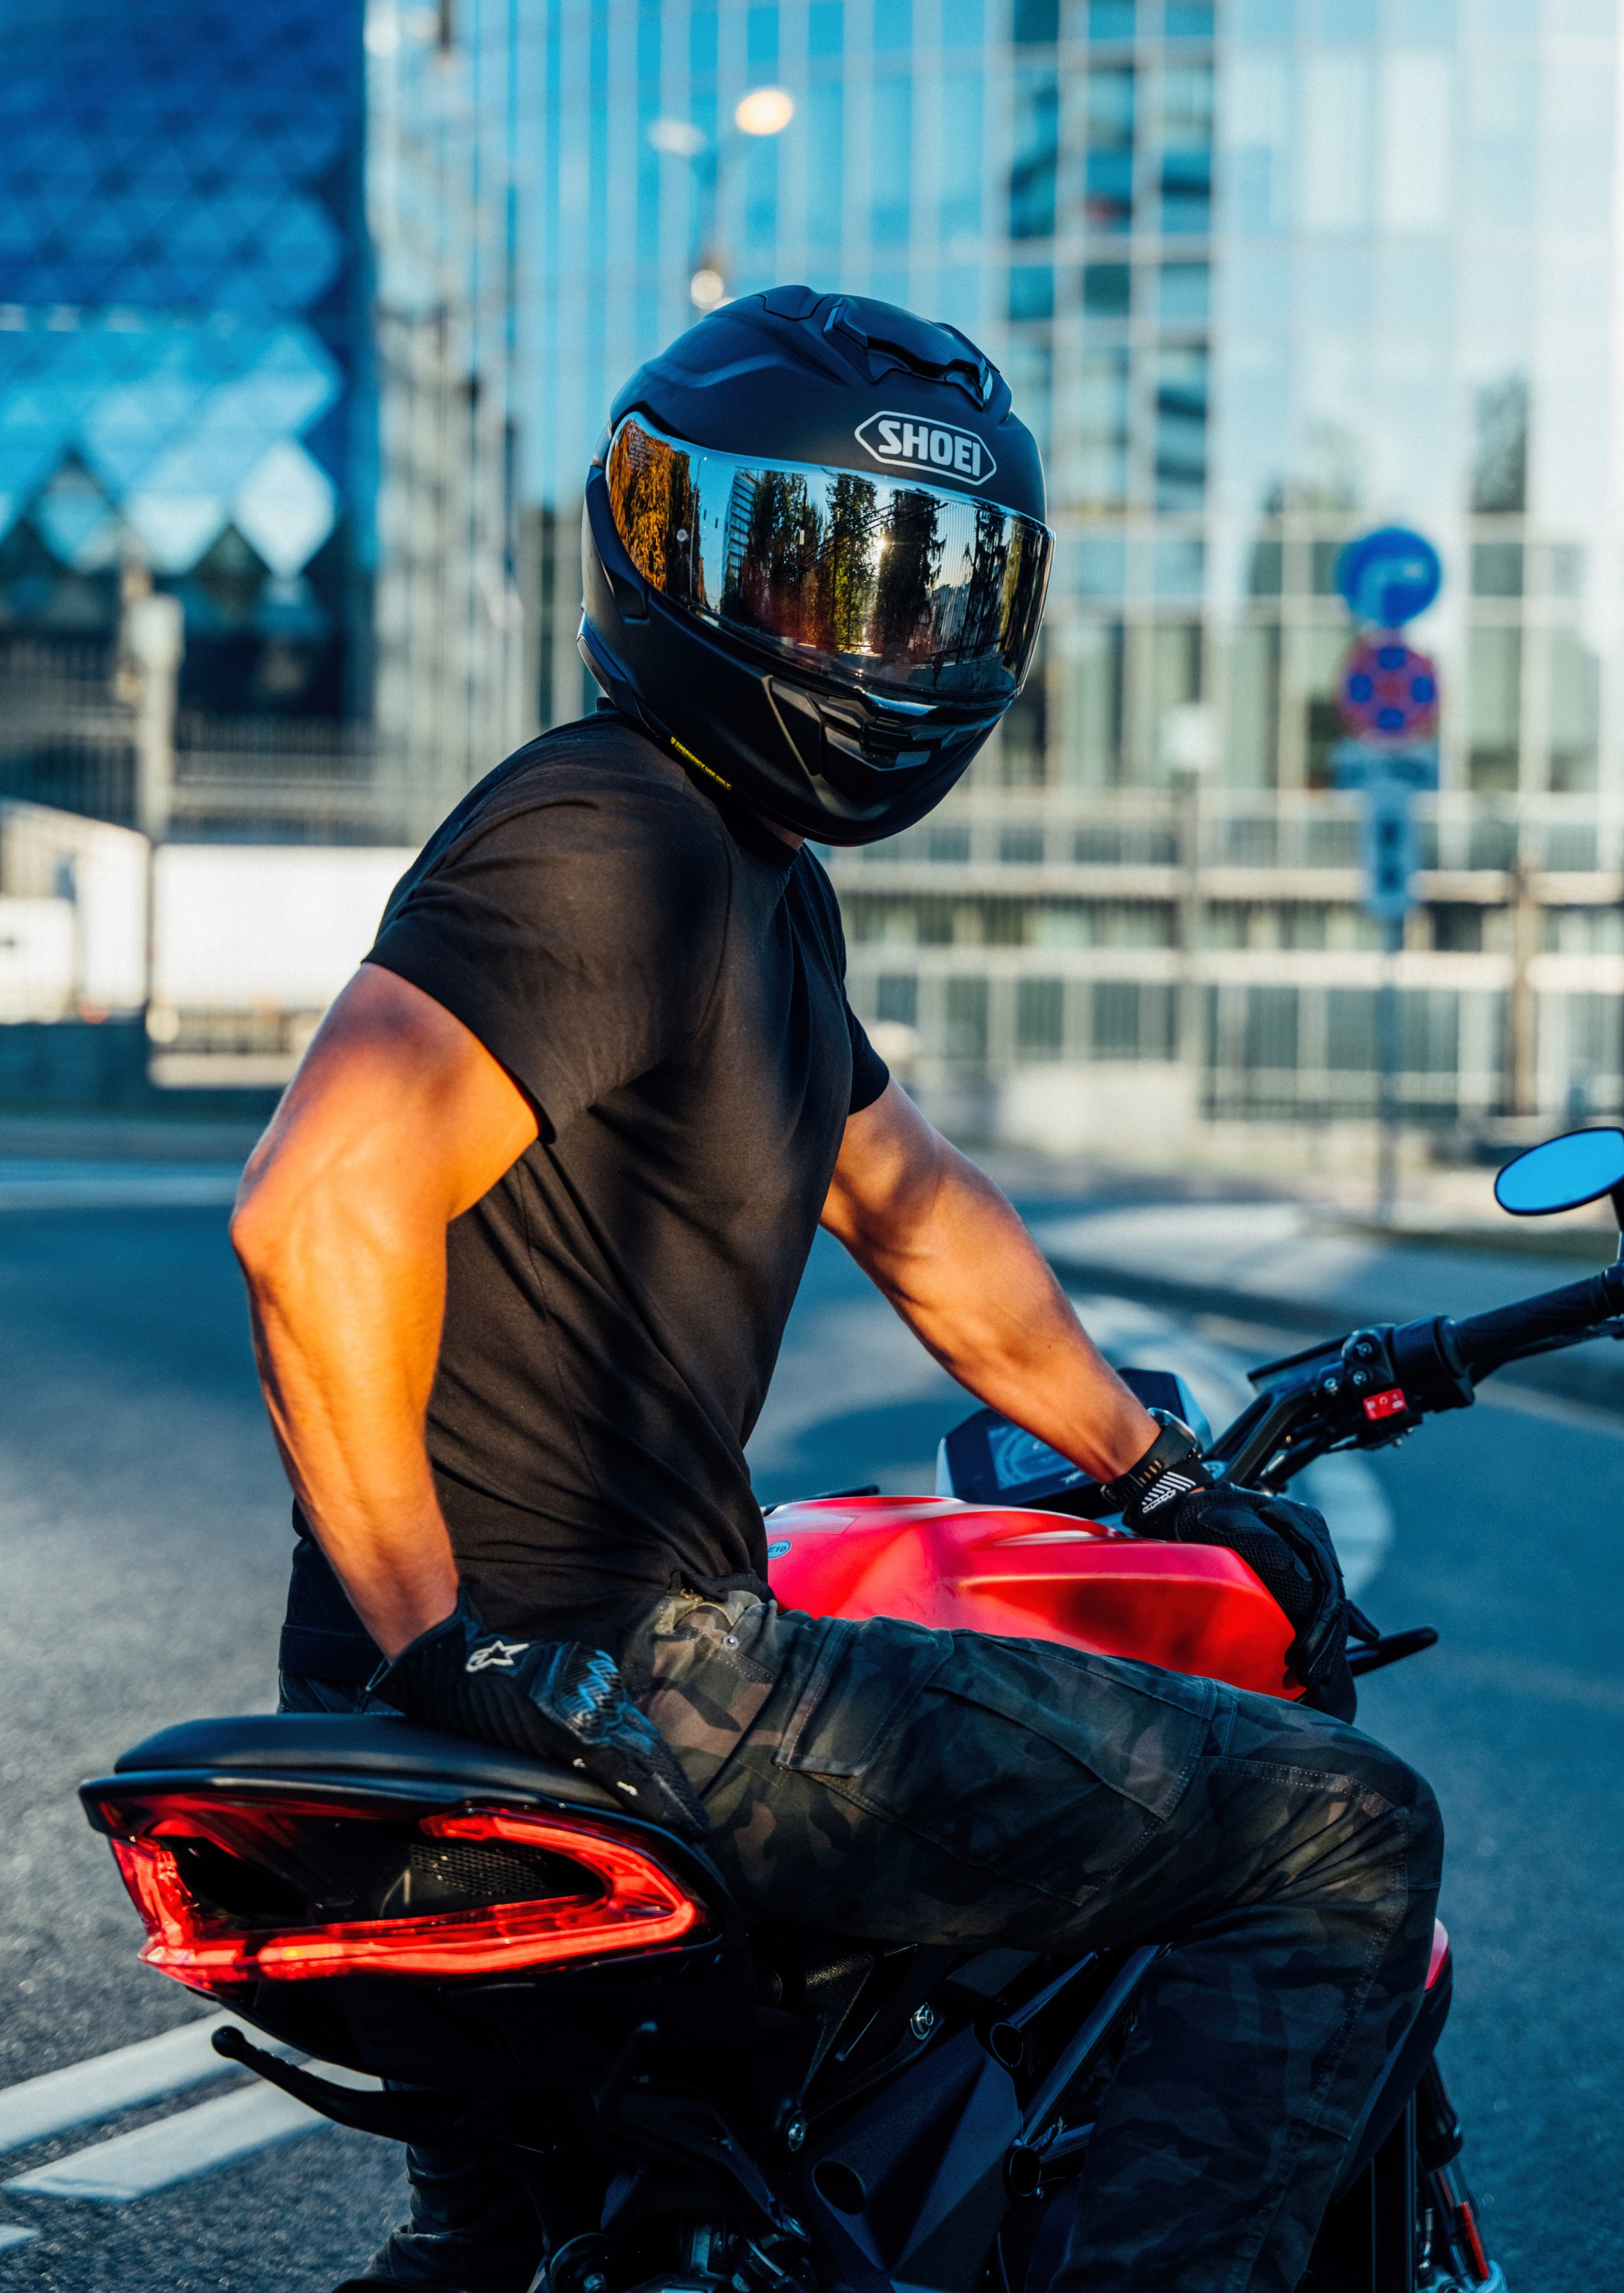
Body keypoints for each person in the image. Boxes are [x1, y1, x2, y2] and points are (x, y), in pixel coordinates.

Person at [232, 288, 1440, 2293]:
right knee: (1341, 1835)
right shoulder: (606, 828)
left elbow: (913, 1205)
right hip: (619, 1680)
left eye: (927, 597)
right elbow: (317, 1204)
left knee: (532, 2240)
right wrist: (458, 1649)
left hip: (466, 1713)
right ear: (668, 554)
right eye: (815, 577)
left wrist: (1156, 1475)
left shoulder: (744, 876)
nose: (875, 648)